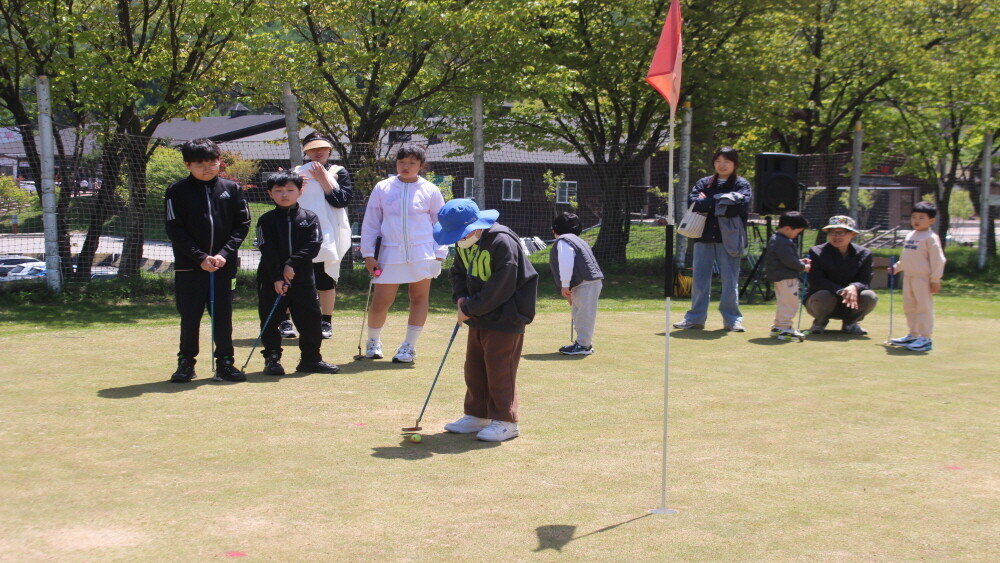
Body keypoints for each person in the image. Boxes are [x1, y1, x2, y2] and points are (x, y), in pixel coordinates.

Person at [433, 199, 538, 442]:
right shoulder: (464, 243)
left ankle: (506, 421)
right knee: (475, 367)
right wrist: (460, 298)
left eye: (461, 233)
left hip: (507, 317)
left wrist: (469, 308)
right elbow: (457, 272)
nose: (459, 239)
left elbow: (501, 286)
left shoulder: (502, 242)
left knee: (500, 368)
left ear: (476, 226)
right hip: (479, 316)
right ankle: (477, 414)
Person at [164, 138, 251, 383]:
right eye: (200, 164)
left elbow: (242, 225)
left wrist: (223, 255)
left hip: (224, 267)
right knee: (190, 316)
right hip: (189, 267)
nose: (207, 168)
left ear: (219, 162)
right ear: (187, 165)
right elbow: (174, 229)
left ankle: (225, 363)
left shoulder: (232, 189)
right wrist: (200, 257)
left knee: (223, 316)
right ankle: (186, 363)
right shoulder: (176, 191)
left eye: (212, 162)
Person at [360, 143, 448, 363]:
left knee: (419, 299)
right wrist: (368, 254)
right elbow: (371, 222)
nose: (406, 167)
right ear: (395, 163)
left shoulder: (431, 190)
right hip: (389, 254)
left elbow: (441, 223)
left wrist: (440, 254)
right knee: (381, 301)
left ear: (421, 165)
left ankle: (408, 346)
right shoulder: (382, 187)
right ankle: (373, 342)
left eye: (412, 163)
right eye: (402, 162)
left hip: (423, 253)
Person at [255, 171, 340, 374]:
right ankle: (272, 359)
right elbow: (267, 249)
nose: (285, 194)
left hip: (302, 278)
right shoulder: (265, 220)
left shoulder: (310, 218)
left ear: (300, 192)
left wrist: (292, 264)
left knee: (310, 319)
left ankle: (310, 359)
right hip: (271, 279)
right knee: (270, 319)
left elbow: (314, 245)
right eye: (279, 191)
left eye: (290, 190)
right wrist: (277, 276)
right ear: (270, 194)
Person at [275, 132, 354, 340]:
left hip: (327, 235)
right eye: (312, 149)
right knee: (290, 278)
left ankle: (326, 321)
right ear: (306, 151)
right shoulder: (296, 173)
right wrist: (296, 185)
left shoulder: (339, 171)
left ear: (329, 150)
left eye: (322, 148)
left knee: (325, 279)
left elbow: (341, 201)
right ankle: (285, 321)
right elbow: (283, 199)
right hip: (299, 234)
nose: (318, 152)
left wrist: (324, 180)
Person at [673, 146, 752, 332]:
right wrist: (722, 200)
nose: (722, 165)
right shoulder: (703, 182)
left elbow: (739, 207)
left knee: (730, 281)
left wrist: (708, 201)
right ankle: (695, 319)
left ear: (735, 164)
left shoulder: (742, 184)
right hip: (703, 237)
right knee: (700, 280)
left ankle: (732, 320)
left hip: (729, 240)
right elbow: (694, 202)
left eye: (726, 162)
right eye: (718, 161)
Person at [887, 201, 945, 352]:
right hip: (908, 276)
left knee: (923, 307)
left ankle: (925, 338)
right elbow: (907, 257)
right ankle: (913, 334)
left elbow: (938, 259)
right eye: (914, 217)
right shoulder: (911, 235)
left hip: (923, 278)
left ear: (931, 220)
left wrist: (935, 279)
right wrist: (897, 268)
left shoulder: (931, 237)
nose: (916, 220)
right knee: (909, 306)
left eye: (921, 217)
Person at [805, 215, 878, 335]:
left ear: (852, 234)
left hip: (851, 302)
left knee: (869, 296)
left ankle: (850, 323)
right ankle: (819, 323)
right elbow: (816, 281)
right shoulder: (816, 252)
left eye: (841, 233)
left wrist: (854, 287)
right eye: (832, 232)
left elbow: (865, 281)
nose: (836, 236)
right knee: (824, 295)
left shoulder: (865, 254)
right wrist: (841, 290)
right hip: (822, 301)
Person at [549, 211, 604, 355]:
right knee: (580, 313)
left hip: (585, 283)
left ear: (555, 229)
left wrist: (565, 285)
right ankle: (582, 343)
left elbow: (566, 263)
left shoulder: (563, 241)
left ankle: (584, 345)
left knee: (583, 315)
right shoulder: (579, 240)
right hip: (588, 282)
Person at [764, 211, 811, 339]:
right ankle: (785, 328)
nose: (796, 235)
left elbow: (785, 259)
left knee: (784, 302)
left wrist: (799, 261)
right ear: (787, 229)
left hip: (781, 276)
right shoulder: (782, 241)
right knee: (790, 304)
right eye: (797, 232)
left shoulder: (777, 239)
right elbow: (788, 260)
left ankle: (779, 327)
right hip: (787, 278)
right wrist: (803, 267)